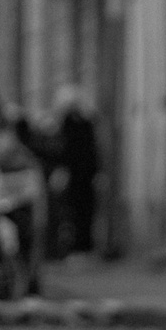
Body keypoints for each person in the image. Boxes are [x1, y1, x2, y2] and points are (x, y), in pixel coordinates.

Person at [47, 84, 104, 260]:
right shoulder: (70, 124)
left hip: (82, 176)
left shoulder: (82, 124)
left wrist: (97, 172)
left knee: (83, 212)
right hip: (76, 176)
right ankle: (75, 248)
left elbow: (90, 151)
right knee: (73, 212)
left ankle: (83, 247)